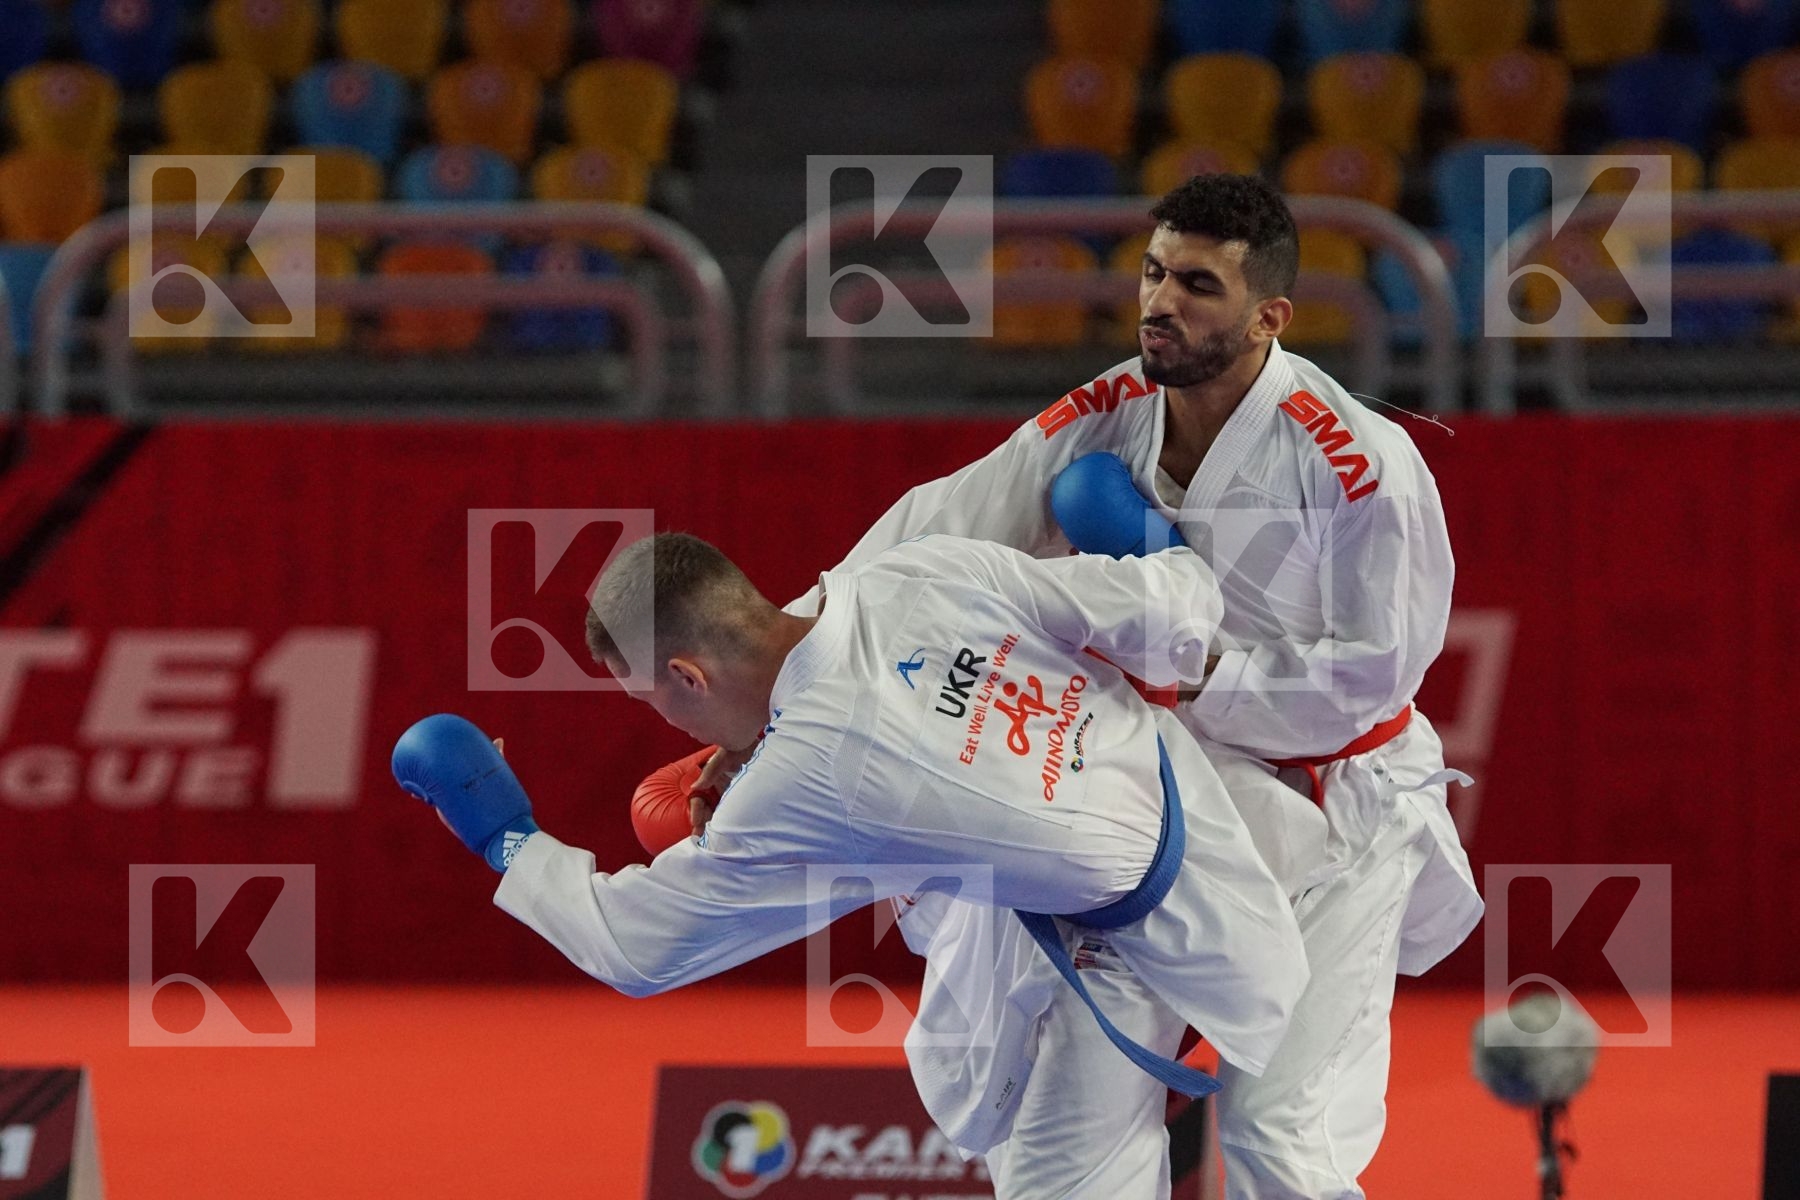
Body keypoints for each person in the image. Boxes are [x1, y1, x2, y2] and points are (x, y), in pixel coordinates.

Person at [677, 173, 1480, 1199]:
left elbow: (1370, 682)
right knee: (1056, 1096)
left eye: (1198, 285)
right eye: (1153, 273)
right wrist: (758, 697)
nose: (1162, 303)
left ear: (1269, 317)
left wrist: (1180, 669)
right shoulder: (1113, 405)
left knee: (1281, 1136)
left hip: (1343, 811)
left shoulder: (1362, 464)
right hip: (1172, 808)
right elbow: (937, 528)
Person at [394, 530, 1312, 1198]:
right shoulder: (917, 567)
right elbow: (1167, 602)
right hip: (1221, 793)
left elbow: (636, 945)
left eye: (651, 700)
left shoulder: (811, 778)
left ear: (688, 676)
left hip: (1130, 942)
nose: (663, 727)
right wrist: (1141, 535)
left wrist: (498, 828)